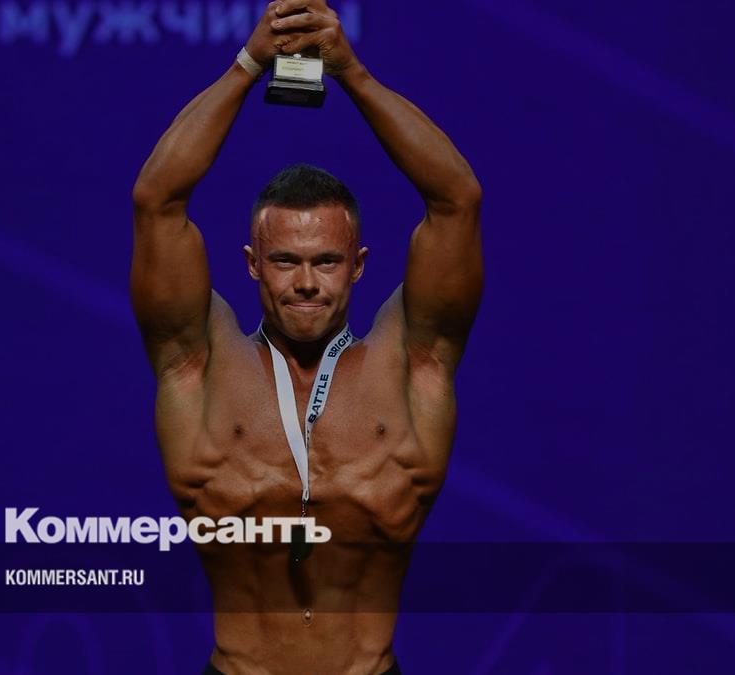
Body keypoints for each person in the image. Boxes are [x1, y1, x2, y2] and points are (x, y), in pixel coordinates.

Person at [131, 1, 482, 672]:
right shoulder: (196, 365)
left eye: (325, 262)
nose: (306, 283)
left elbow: (457, 199)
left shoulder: (414, 364)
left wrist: (352, 72)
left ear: (358, 266)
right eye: (286, 261)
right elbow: (157, 200)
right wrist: (248, 63)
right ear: (252, 264)